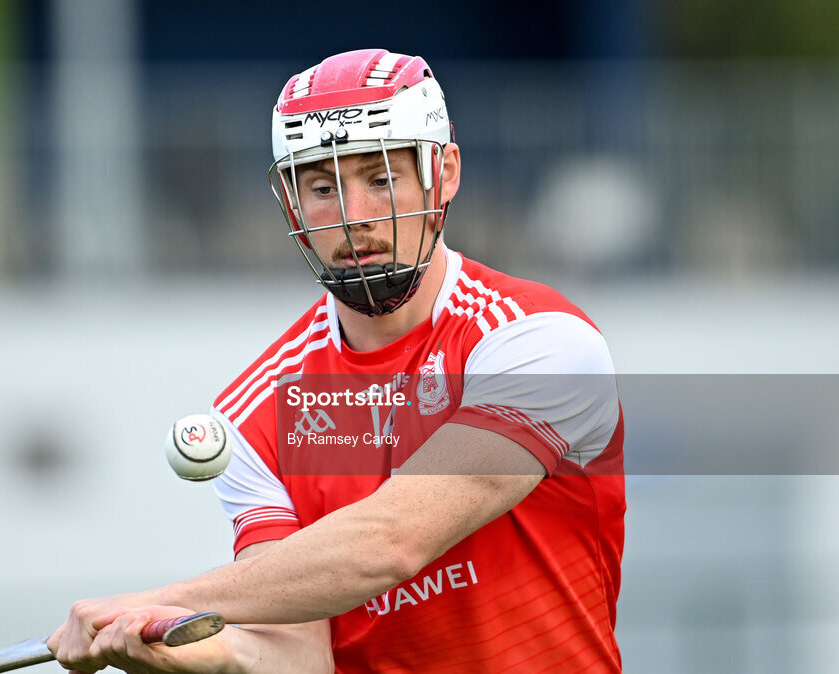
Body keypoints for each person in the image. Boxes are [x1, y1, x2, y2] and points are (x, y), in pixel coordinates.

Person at [48, 48, 625, 673]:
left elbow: (391, 541)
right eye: (322, 188)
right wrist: (188, 646)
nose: (352, 218)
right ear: (292, 205)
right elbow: (297, 651)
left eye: (380, 179)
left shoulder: (538, 341)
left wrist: (168, 599)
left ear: (444, 173)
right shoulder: (253, 417)